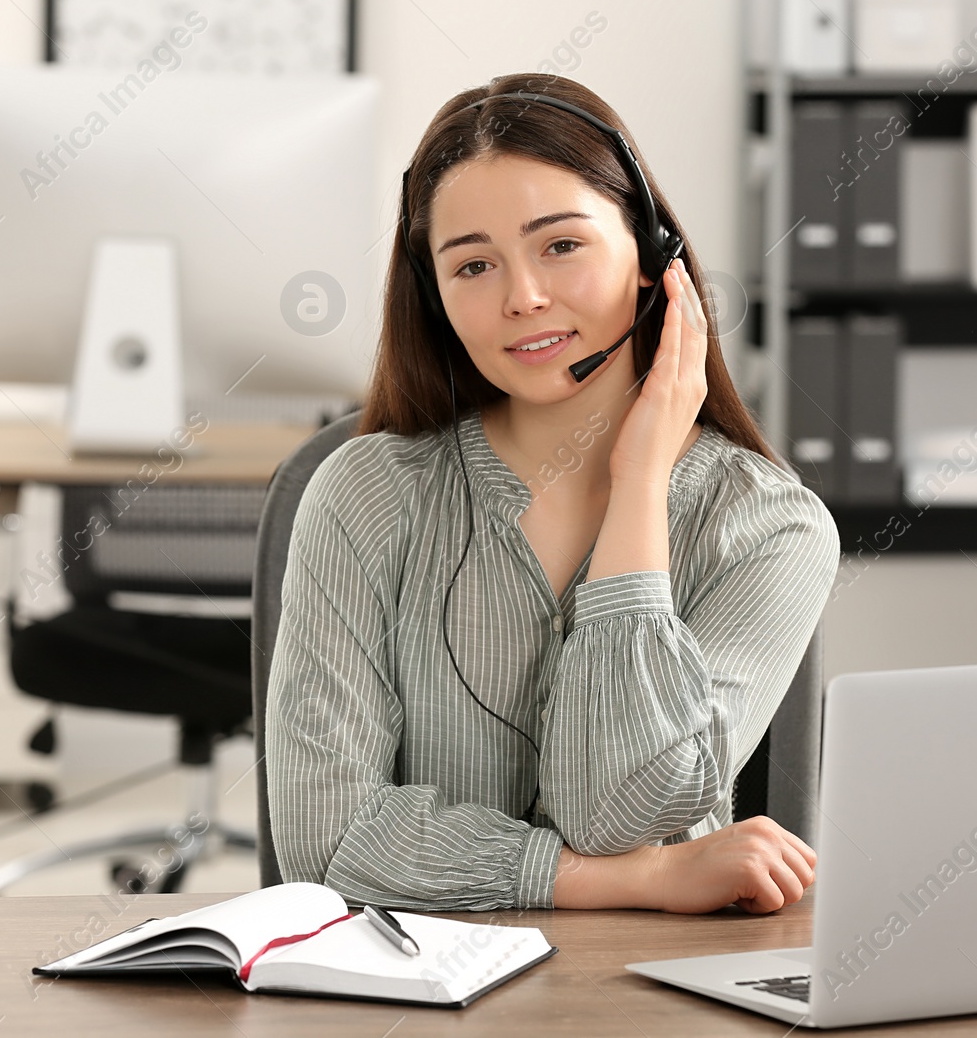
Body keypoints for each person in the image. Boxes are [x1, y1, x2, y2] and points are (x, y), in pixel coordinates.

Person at [265, 73, 839, 914]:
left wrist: (639, 483)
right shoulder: (365, 495)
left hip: (648, 997)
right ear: (436, 299)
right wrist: (635, 880)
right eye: (472, 264)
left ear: (653, 258)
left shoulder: (769, 528)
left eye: (561, 245)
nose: (522, 296)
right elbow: (329, 841)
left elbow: (615, 808)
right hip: (410, 995)